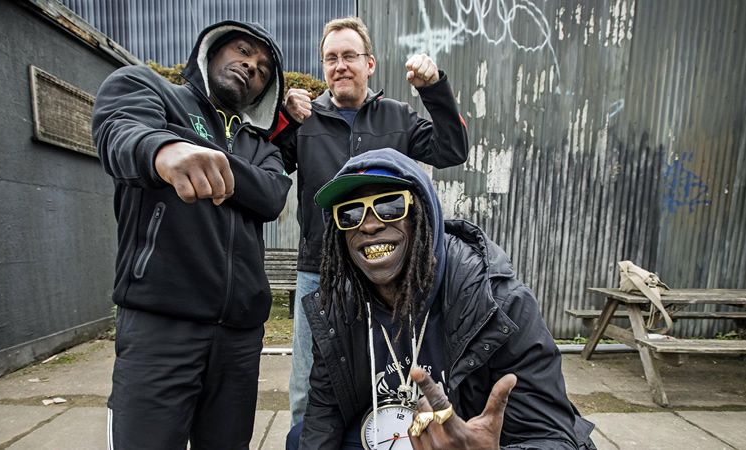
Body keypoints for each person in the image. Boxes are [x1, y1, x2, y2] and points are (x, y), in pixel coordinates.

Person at [287, 148, 596, 449]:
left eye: (391, 205)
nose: (369, 224)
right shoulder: (339, 308)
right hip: (389, 430)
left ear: (424, 214)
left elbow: (552, 436)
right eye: (350, 213)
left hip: (472, 440)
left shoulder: (499, 303)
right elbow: (324, 412)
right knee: (299, 438)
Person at [91, 20, 291, 449]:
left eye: (262, 68)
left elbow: (273, 195)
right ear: (211, 51)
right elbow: (119, 133)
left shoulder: (262, 146)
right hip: (161, 324)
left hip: (239, 336)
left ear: (263, 93)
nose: (250, 66)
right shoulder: (149, 89)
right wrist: (163, 148)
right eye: (241, 51)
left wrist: (207, 156)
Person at [272, 15, 470, 426]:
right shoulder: (305, 121)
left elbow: (451, 149)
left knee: (388, 379)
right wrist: (283, 116)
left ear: (370, 64)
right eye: (330, 58)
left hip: (389, 277)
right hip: (320, 275)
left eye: (349, 56)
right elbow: (262, 160)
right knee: (308, 389)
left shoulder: (397, 116)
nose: (339, 65)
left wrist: (434, 90)